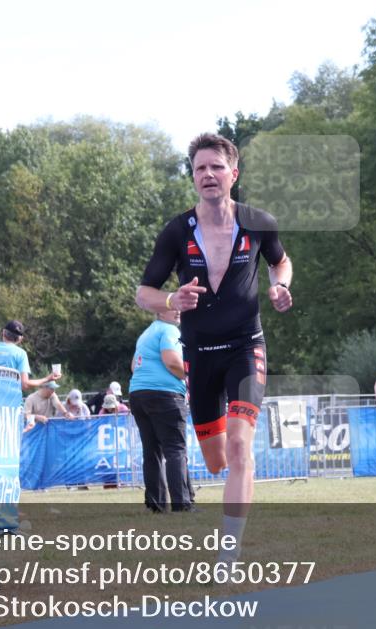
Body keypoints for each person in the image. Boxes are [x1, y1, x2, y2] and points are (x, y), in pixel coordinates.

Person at [135, 132, 293, 562]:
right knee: (217, 460)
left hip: (246, 345)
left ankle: (229, 550)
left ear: (233, 174)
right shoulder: (176, 231)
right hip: (199, 355)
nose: (207, 174)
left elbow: (280, 260)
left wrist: (280, 287)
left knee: (242, 446)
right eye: (199, 168)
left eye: (216, 167)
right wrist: (172, 300)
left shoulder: (258, 222)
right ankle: (226, 475)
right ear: (193, 178)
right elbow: (143, 292)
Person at [129, 309, 193, 512]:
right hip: (164, 395)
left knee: (152, 451)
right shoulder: (169, 331)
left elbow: (133, 366)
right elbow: (172, 361)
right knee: (175, 450)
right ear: (159, 311)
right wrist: (193, 377)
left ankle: (156, 504)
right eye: (172, 307)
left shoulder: (146, 334)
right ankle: (181, 503)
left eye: (178, 307)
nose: (178, 311)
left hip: (138, 393)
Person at [0, 319, 60, 391]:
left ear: (3, 332)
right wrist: (47, 378)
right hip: (10, 403)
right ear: (20, 339)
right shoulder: (21, 354)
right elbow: (25, 385)